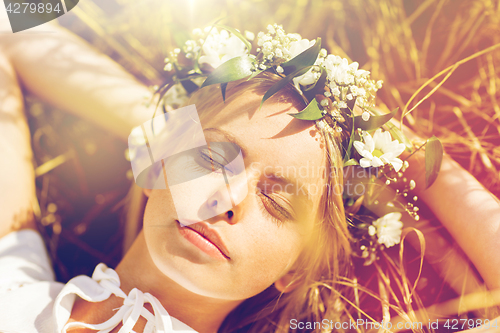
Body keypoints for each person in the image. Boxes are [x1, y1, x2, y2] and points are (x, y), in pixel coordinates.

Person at [0, 17, 499, 333]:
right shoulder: (11, 285)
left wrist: (402, 156)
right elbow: (10, 24)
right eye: (215, 161)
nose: (226, 197)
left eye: (279, 202)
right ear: (157, 162)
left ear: (296, 271)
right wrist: (170, 133)